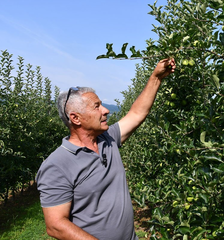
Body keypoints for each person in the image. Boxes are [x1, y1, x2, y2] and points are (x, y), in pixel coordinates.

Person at [36, 58, 176, 240]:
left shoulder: (107, 138)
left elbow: (137, 113)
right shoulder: (57, 165)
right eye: (97, 106)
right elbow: (56, 225)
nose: (105, 110)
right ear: (76, 118)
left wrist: (156, 77)